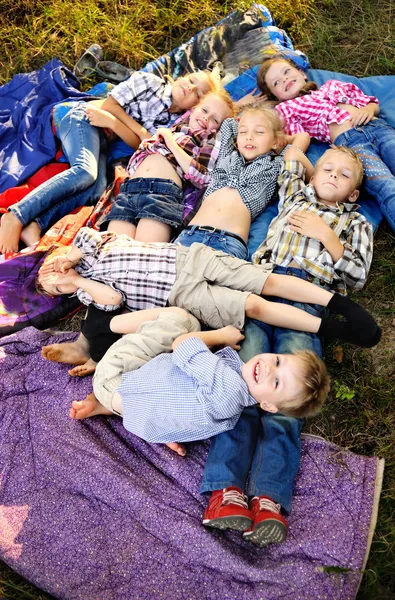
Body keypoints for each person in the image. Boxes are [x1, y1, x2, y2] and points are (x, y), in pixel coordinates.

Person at [200, 143, 374, 548]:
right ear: (312, 176)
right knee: (242, 387)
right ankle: (225, 492)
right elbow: (294, 158)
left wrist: (327, 234)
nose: (332, 174)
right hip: (263, 289)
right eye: (326, 168)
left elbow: (356, 275)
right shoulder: (295, 193)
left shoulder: (357, 223)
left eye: (343, 174)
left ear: (353, 195)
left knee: (286, 398)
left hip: (309, 300)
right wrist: (300, 149)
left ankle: (269, 498)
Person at [37, 227, 380, 354]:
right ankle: (336, 329)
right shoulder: (87, 292)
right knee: (254, 306)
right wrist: (77, 282)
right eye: (50, 285)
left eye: (49, 268)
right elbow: (114, 300)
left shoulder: (90, 246)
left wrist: (69, 258)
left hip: (190, 257)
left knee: (266, 280)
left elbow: (88, 235)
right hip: (181, 295)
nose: (54, 274)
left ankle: (342, 306)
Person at [0, 69, 216, 254]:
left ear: (197, 106)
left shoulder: (172, 124)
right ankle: (16, 215)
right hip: (83, 117)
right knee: (85, 172)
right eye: (191, 80)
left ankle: (36, 224)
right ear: (181, 77)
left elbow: (137, 145)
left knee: (98, 188)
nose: (190, 87)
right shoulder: (150, 83)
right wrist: (136, 130)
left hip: (103, 138)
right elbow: (111, 105)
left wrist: (115, 124)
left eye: (198, 93)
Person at [68, 308, 329, 449]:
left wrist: (220, 336)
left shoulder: (227, 384)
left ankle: (98, 346)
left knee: (183, 321)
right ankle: (107, 406)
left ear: (270, 406)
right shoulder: (232, 413)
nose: (270, 368)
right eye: (279, 361)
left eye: (276, 382)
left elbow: (182, 343)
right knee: (169, 391)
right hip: (142, 421)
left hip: (115, 376)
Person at [256, 55, 395, 231]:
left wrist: (368, 109)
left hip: (377, 126)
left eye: (286, 72)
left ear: (301, 73)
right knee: (386, 186)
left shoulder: (332, 86)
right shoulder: (286, 109)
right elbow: (298, 137)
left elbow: (371, 103)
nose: (284, 79)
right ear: (274, 95)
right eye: (276, 83)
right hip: (352, 143)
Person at [175, 105, 311, 260]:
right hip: (190, 235)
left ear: (276, 141)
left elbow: (303, 137)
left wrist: (278, 140)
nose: (249, 137)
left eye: (259, 132)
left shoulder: (275, 166)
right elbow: (228, 124)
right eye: (243, 132)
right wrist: (253, 118)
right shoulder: (227, 155)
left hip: (227, 243)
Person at [101, 90, 234, 243]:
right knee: (112, 249)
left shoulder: (208, 138)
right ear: (193, 110)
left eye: (215, 119)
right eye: (204, 110)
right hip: (129, 191)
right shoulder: (175, 128)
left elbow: (204, 177)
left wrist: (170, 142)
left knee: (145, 252)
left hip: (161, 193)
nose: (206, 117)